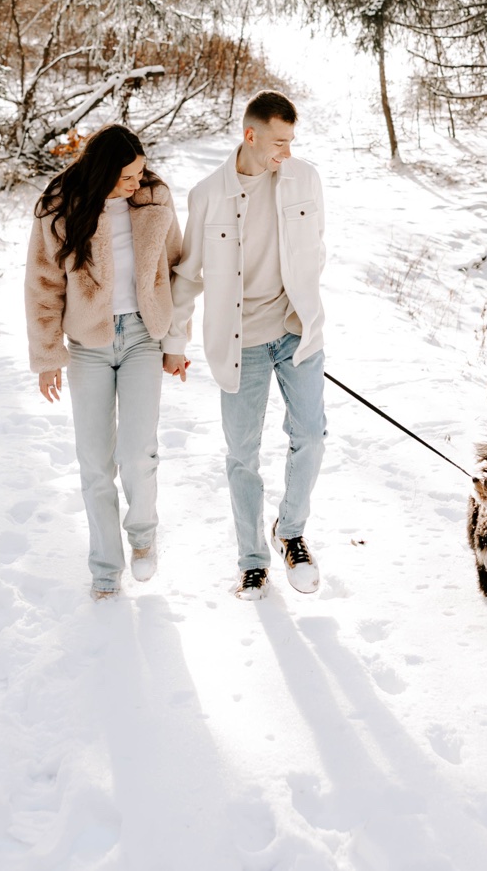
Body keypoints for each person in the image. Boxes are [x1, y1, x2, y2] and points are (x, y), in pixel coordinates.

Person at [164, 90, 329, 598]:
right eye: (279, 142)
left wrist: (300, 307)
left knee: (312, 436)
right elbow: (187, 276)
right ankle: (252, 558)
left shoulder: (304, 179)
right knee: (243, 455)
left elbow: (315, 248)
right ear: (250, 135)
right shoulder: (208, 195)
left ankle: (291, 531)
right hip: (240, 346)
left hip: (297, 333)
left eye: (292, 141)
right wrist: (175, 340)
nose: (287, 152)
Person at [28, 124, 187, 599]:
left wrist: (176, 341)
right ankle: (104, 566)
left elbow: (177, 270)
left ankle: (142, 536)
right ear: (100, 174)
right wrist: (47, 357)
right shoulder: (59, 207)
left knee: (138, 454)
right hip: (88, 346)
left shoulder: (155, 199)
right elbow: (43, 285)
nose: (135, 184)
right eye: (125, 178)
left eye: (139, 173)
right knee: (96, 464)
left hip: (143, 337)